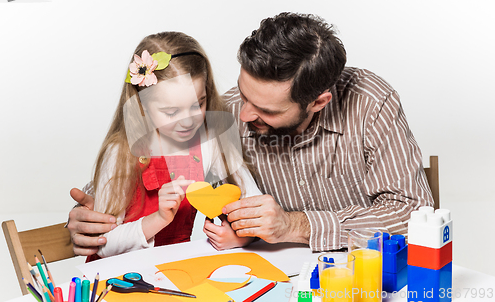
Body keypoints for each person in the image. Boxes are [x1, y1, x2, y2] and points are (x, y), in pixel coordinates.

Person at [68, 13, 433, 255]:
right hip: (279, 276)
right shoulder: (219, 116)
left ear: (318, 102)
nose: (242, 115)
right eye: (243, 94)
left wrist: (295, 224)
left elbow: (414, 214)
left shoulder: (369, 102)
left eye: (267, 110)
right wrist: (86, 215)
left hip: (367, 273)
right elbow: (126, 176)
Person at [75, 31, 261, 260]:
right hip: (118, 277)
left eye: (198, 105)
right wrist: (159, 219)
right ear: (142, 107)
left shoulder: (210, 142)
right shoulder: (120, 154)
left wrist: (240, 236)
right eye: (171, 112)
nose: (188, 121)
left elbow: (255, 206)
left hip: (175, 269)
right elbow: (102, 245)